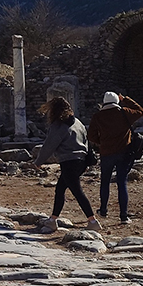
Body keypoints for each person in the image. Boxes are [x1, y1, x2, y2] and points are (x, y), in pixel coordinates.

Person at [32, 96, 102, 233]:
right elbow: (86, 141)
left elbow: (49, 145)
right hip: (81, 161)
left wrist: (38, 162)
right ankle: (52, 220)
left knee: (77, 192)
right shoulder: (78, 123)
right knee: (60, 190)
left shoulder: (59, 126)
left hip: (69, 162)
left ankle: (92, 221)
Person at [87, 91, 143, 224]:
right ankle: (124, 215)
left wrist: (102, 142)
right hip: (124, 153)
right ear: (117, 101)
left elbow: (91, 136)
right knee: (121, 183)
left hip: (106, 153)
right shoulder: (124, 113)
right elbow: (141, 111)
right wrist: (126, 99)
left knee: (105, 182)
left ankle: (103, 210)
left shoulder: (98, 116)